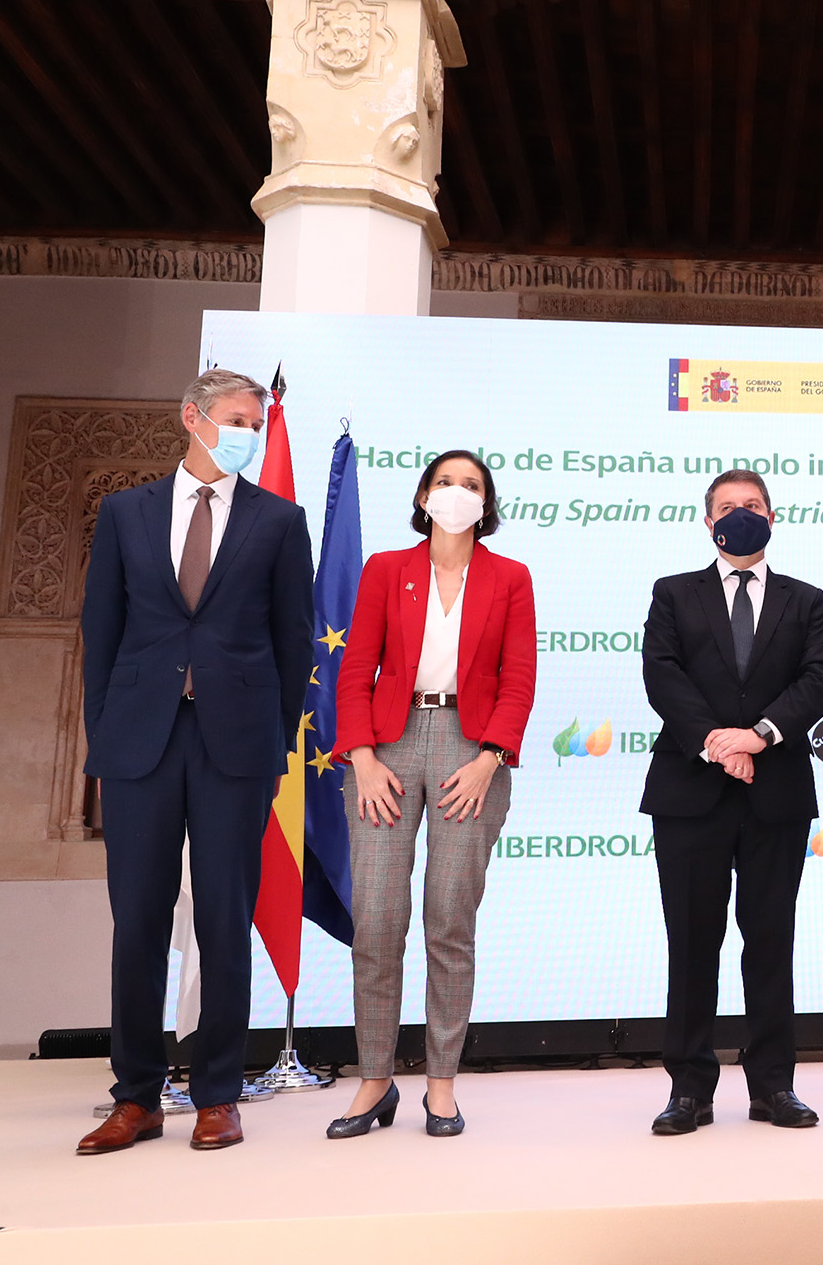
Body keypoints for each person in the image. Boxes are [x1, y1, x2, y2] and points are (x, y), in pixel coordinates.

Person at [77, 368, 314, 1154]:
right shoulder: (125, 512)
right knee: (138, 921)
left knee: (222, 918)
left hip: (235, 746)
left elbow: (292, 644)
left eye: (257, 420)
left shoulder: (280, 521)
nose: (249, 431)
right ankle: (136, 1095)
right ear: (194, 418)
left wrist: (274, 741)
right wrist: (106, 735)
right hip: (140, 742)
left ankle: (218, 1091)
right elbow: (101, 634)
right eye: (239, 419)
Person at [328, 450, 535, 1138]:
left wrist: (490, 758)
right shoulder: (387, 569)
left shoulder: (510, 578)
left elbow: (518, 676)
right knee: (380, 920)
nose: (457, 493)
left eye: (471, 486)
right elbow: (356, 666)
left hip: (469, 749)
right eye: (446, 482)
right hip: (386, 747)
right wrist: (359, 756)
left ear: (487, 503)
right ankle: (375, 1081)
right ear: (423, 494)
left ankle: (441, 1084)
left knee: (450, 918)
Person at [640, 470, 823, 1134]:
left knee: (770, 942)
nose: (741, 515)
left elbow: (818, 682)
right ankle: (689, 1089)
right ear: (708, 522)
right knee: (692, 945)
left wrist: (756, 736)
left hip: (775, 794)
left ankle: (773, 1087)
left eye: (752, 506)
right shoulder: (673, 593)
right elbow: (661, 675)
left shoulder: (804, 600)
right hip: (689, 794)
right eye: (728, 508)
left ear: (772, 517)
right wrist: (716, 743)